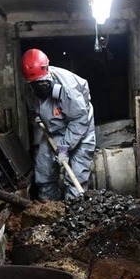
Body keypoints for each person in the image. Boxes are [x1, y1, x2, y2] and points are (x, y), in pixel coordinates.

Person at [21, 48, 96, 200]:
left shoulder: (68, 89)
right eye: (35, 85)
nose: (40, 87)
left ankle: (75, 214)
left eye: (43, 83)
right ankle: (50, 211)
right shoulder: (30, 88)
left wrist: (63, 148)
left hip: (80, 130)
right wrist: (38, 117)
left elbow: (79, 120)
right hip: (54, 131)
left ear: (47, 72)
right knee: (44, 172)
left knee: (75, 179)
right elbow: (35, 107)